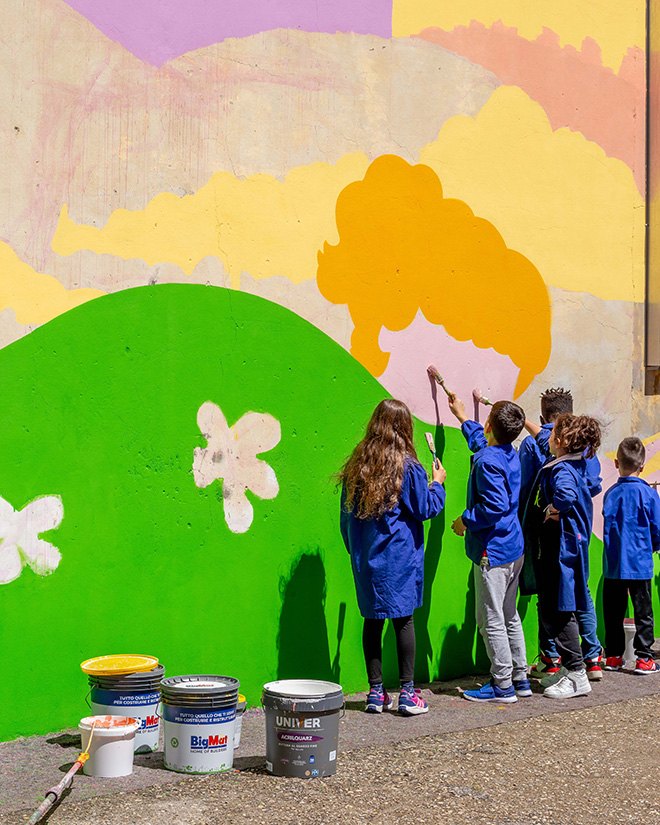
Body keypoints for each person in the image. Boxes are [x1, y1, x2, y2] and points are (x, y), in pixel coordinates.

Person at [339, 398, 446, 715]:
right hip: (399, 559)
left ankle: (375, 693)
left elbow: (346, 521)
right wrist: (437, 484)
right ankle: (408, 694)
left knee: (372, 621)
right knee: (403, 621)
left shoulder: (357, 467)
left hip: (366, 560)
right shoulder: (408, 468)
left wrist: (356, 554)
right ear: (405, 429)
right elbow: (425, 508)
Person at [447, 394, 529, 703]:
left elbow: (493, 505)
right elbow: (482, 445)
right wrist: (462, 417)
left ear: (490, 425)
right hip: (513, 547)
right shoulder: (509, 453)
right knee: (509, 615)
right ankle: (520, 678)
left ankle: (502, 685)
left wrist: (464, 521)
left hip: (492, 553)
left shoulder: (486, 461)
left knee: (490, 619)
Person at [519, 387, 603, 681]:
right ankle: (591, 658)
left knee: (555, 596)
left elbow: (528, 486)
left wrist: (553, 507)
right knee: (580, 592)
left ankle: (557, 659)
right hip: (579, 534)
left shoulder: (558, 466)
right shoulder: (583, 452)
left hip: (558, 535)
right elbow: (591, 486)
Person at [602, 437, 660, 674]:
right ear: (643, 466)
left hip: (614, 564)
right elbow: (656, 526)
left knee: (613, 612)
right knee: (643, 612)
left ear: (616, 463)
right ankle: (644, 658)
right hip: (640, 563)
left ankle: (614, 656)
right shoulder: (649, 494)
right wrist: (654, 545)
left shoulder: (610, 493)